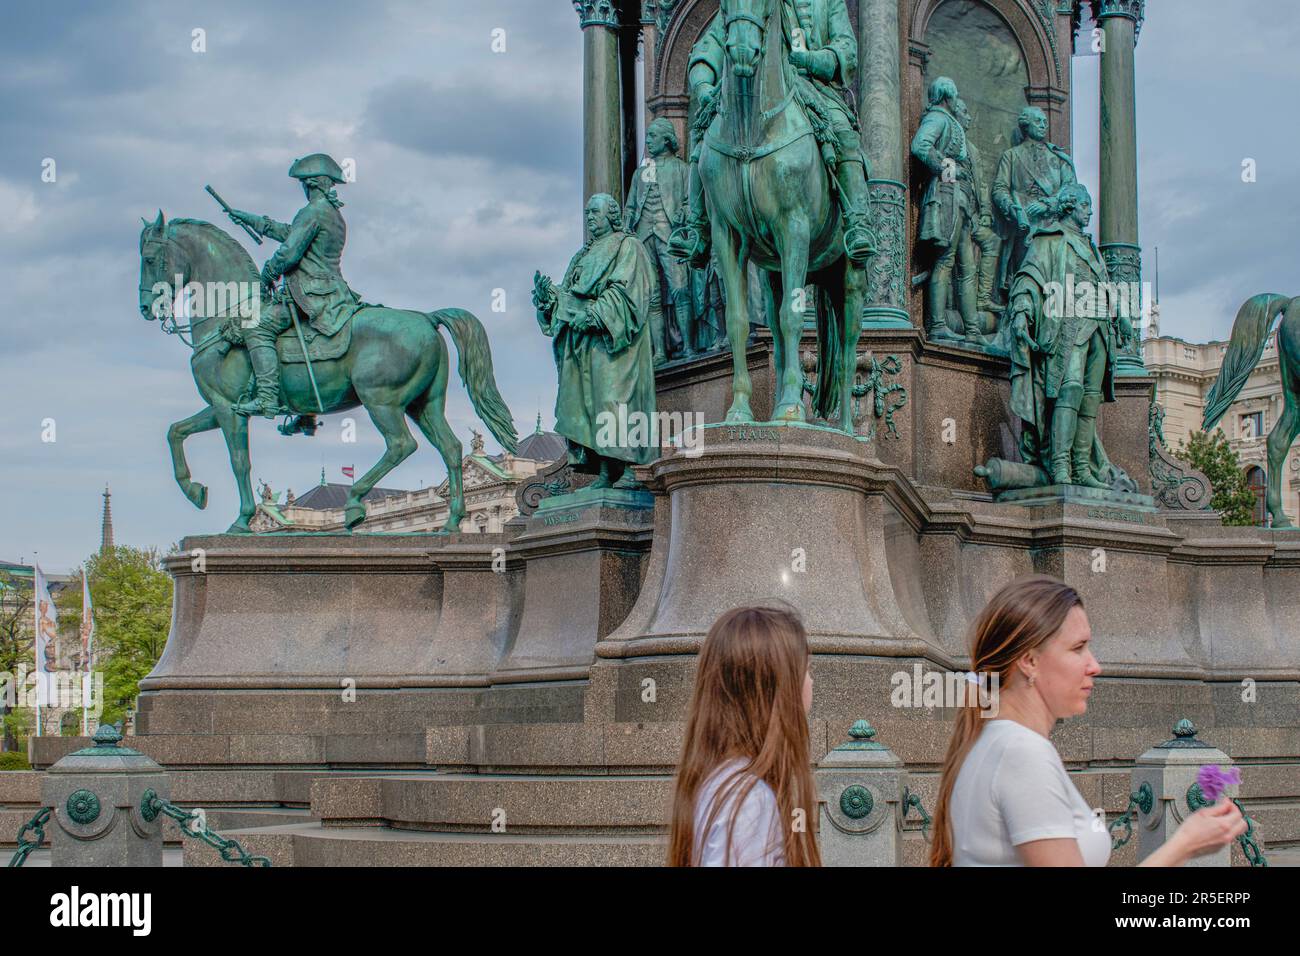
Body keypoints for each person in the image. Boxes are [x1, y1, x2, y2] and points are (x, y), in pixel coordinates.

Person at [930, 575, 1248, 867]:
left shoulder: (990, 743)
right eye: (1078, 648)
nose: (1094, 665)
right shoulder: (1021, 752)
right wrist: (1184, 845)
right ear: (1029, 661)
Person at [668, 0, 875, 268]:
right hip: (759, 92)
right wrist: (703, 84)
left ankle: (856, 222)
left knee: (844, 134)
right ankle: (697, 227)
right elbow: (713, 42)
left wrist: (812, 60)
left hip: (815, 86)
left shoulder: (828, 1)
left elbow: (846, 48)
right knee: (703, 130)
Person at [668, 605, 821, 867]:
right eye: (807, 669)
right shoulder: (751, 801)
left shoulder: (719, 781)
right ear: (777, 687)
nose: (811, 681)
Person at [533, 193, 658, 490]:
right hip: (583, 345)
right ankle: (605, 472)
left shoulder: (629, 246)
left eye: (595, 212)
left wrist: (595, 315)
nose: (589, 217)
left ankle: (630, 468)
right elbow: (570, 295)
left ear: (611, 216)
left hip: (614, 341)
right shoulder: (583, 254)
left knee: (614, 401)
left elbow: (628, 292)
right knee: (591, 406)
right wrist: (548, 299)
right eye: (587, 212)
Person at [227, 153, 362, 419]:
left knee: (257, 328)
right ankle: (304, 415)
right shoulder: (332, 214)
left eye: (302, 182)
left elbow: (289, 252)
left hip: (310, 295)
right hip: (333, 293)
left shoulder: (313, 211)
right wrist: (252, 220)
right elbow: (291, 233)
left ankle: (266, 399)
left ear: (310, 184)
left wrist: (266, 275)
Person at [912, 78, 979, 340]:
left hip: (958, 199)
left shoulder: (947, 120)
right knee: (944, 261)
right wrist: (948, 168)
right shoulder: (938, 118)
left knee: (967, 267)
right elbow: (920, 146)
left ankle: (973, 330)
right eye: (955, 95)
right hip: (946, 195)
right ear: (947, 97)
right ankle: (937, 324)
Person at [625, 118, 693, 363]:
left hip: (670, 236)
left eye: (653, 136)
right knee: (652, 296)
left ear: (667, 139)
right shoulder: (641, 173)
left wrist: (682, 214)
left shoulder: (682, 169)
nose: (648, 140)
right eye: (648, 136)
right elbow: (631, 206)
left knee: (680, 289)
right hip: (644, 237)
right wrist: (626, 230)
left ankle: (687, 347)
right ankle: (660, 351)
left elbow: (689, 203)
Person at [992, 107, 1076, 302]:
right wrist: (1012, 208)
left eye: (1045, 121)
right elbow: (1000, 189)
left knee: (1055, 284)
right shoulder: (1011, 156)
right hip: (1025, 228)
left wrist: (1049, 205)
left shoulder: (1058, 158)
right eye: (1038, 121)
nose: (1043, 124)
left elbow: (1071, 191)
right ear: (1025, 125)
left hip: (1054, 227)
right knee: (1028, 282)